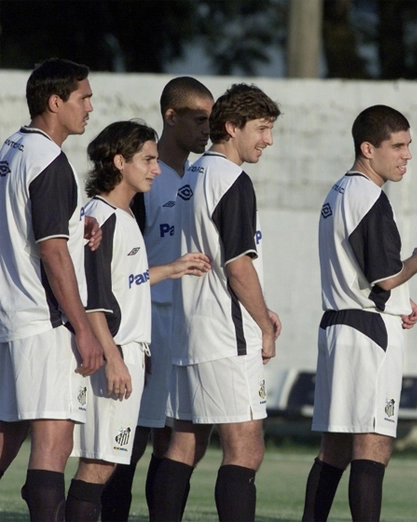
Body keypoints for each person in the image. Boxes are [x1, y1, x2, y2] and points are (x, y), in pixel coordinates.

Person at [63, 120, 211, 521]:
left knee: (107, 462)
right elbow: (92, 299)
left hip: (128, 351)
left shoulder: (123, 216)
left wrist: (171, 268)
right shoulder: (100, 217)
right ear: (119, 161)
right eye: (147, 159)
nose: (156, 169)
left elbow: (127, 281)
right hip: (111, 354)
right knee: (98, 464)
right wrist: (114, 358)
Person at [151, 83, 282, 522]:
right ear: (232, 127)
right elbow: (238, 267)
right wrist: (263, 323)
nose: (268, 140)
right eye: (262, 129)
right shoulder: (232, 179)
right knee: (246, 447)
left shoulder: (193, 175)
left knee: (184, 443)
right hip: (227, 334)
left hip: (190, 330)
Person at [302, 104, 417, 522]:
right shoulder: (369, 196)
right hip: (368, 333)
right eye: (397, 146)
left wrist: (400, 302)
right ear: (367, 148)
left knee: (336, 447)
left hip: (340, 325)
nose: (406, 155)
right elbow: (383, 277)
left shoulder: (338, 191)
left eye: (408, 145)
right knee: (374, 442)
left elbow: (367, 275)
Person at [100, 77, 214, 522]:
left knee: (183, 437)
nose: (208, 129)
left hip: (194, 325)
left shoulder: (204, 177)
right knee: (135, 436)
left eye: (212, 119)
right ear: (171, 116)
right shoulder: (147, 180)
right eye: (199, 119)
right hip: (151, 321)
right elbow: (125, 263)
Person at [0, 58, 105, 520]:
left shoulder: (11, 150)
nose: (90, 108)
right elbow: (52, 252)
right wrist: (83, 328)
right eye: (83, 98)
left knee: (9, 432)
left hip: (10, 317)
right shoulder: (50, 159)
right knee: (55, 441)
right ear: (55, 102)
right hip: (42, 322)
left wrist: (75, 223)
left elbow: (28, 228)